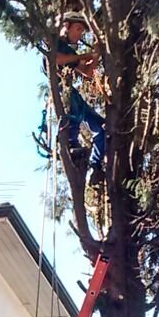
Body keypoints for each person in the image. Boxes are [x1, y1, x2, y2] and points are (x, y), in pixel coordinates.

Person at [53, 11, 106, 186]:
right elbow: (58, 60)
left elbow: (88, 72)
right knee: (72, 116)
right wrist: (84, 56)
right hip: (62, 91)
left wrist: (96, 56)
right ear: (65, 27)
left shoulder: (69, 50)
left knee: (101, 127)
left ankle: (95, 167)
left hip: (72, 94)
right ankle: (71, 144)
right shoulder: (54, 44)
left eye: (82, 31)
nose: (79, 34)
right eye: (77, 29)